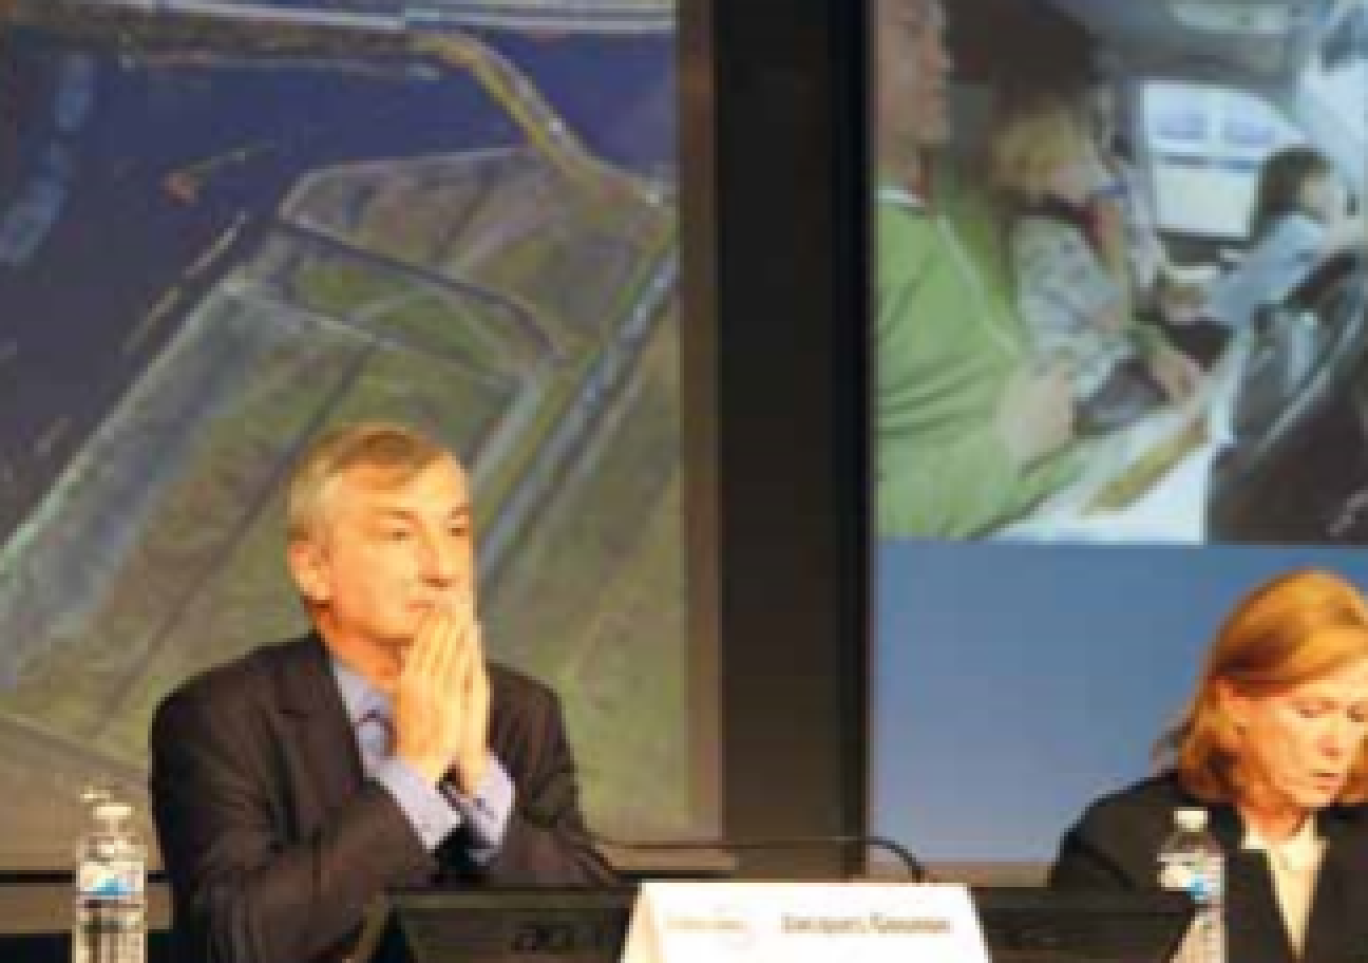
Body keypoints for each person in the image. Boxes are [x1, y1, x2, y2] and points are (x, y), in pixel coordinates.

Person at [149, 422, 614, 963]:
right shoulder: (220, 716)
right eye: (400, 535)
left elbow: (600, 936)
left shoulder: (520, 711)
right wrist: (414, 773)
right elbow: (235, 941)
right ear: (314, 569)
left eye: (457, 532)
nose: (443, 569)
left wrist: (480, 779)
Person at [1050, 569, 1368, 963]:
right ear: (1236, 701)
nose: (1337, 744)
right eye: (1311, 711)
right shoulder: (1124, 842)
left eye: (1358, 716)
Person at [875, 0, 1081, 538]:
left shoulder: (961, 189)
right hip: (1001, 539)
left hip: (1081, 473)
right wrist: (1006, 450)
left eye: (942, 38)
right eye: (911, 31)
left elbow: (1039, 293)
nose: (942, 62)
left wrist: (1148, 344)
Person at [988, 93, 1198, 433]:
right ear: (1041, 172)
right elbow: (1116, 317)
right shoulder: (1045, 242)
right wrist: (1112, 238)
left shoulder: (1057, 231)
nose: (1097, 170)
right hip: (1089, 390)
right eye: (1083, 159)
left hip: (1106, 371)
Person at [1205, 146, 1364, 331]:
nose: (1332, 189)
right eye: (1320, 181)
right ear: (1292, 187)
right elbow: (1354, 233)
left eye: (1332, 181)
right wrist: (1340, 214)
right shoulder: (1296, 228)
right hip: (1226, 335)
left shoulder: (1278, 228)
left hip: (1234, 330)